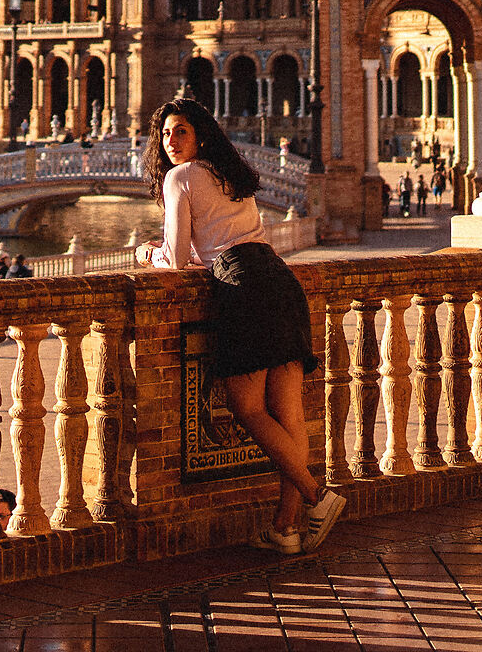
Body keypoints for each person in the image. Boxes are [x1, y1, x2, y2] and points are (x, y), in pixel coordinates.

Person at [135, 97, 344, 555]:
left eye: (181, 132)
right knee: (287, 414)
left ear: (200, 134)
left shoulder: (180, 178)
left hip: (243, 289)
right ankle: (286, 529)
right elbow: (214, 243)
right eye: (166, 134)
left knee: (246, 407)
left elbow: (174, 258)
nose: (171, 142)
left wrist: (147, 254)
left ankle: (317, 497)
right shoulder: (230, 173)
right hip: (279, 280)